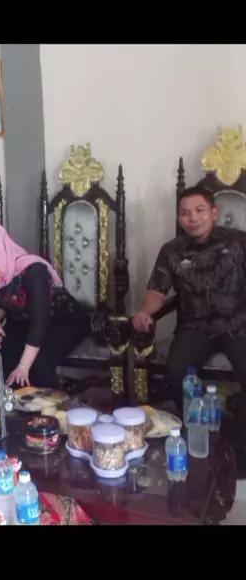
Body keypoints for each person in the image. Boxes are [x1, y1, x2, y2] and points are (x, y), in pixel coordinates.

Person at [132, 184, 246, 476]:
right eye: (185, 213)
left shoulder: (238, 242)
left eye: (199, 211)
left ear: (214, 212)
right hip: (195, 327)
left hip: (238, 324)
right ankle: (194, 429)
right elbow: (157, 291)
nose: (192, 218)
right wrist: (145, 312)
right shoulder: (172, 250)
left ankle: (238, 447)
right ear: (179, 217)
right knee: (175, 370)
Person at [0, 221, 92, 388]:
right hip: (22, 319)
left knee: (38, 365)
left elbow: (40, 323)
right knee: (5, 360)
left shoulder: (34, 271)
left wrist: (23, 367)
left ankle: (47, 403)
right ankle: (12, 403)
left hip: (61, 320)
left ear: (0, 254)